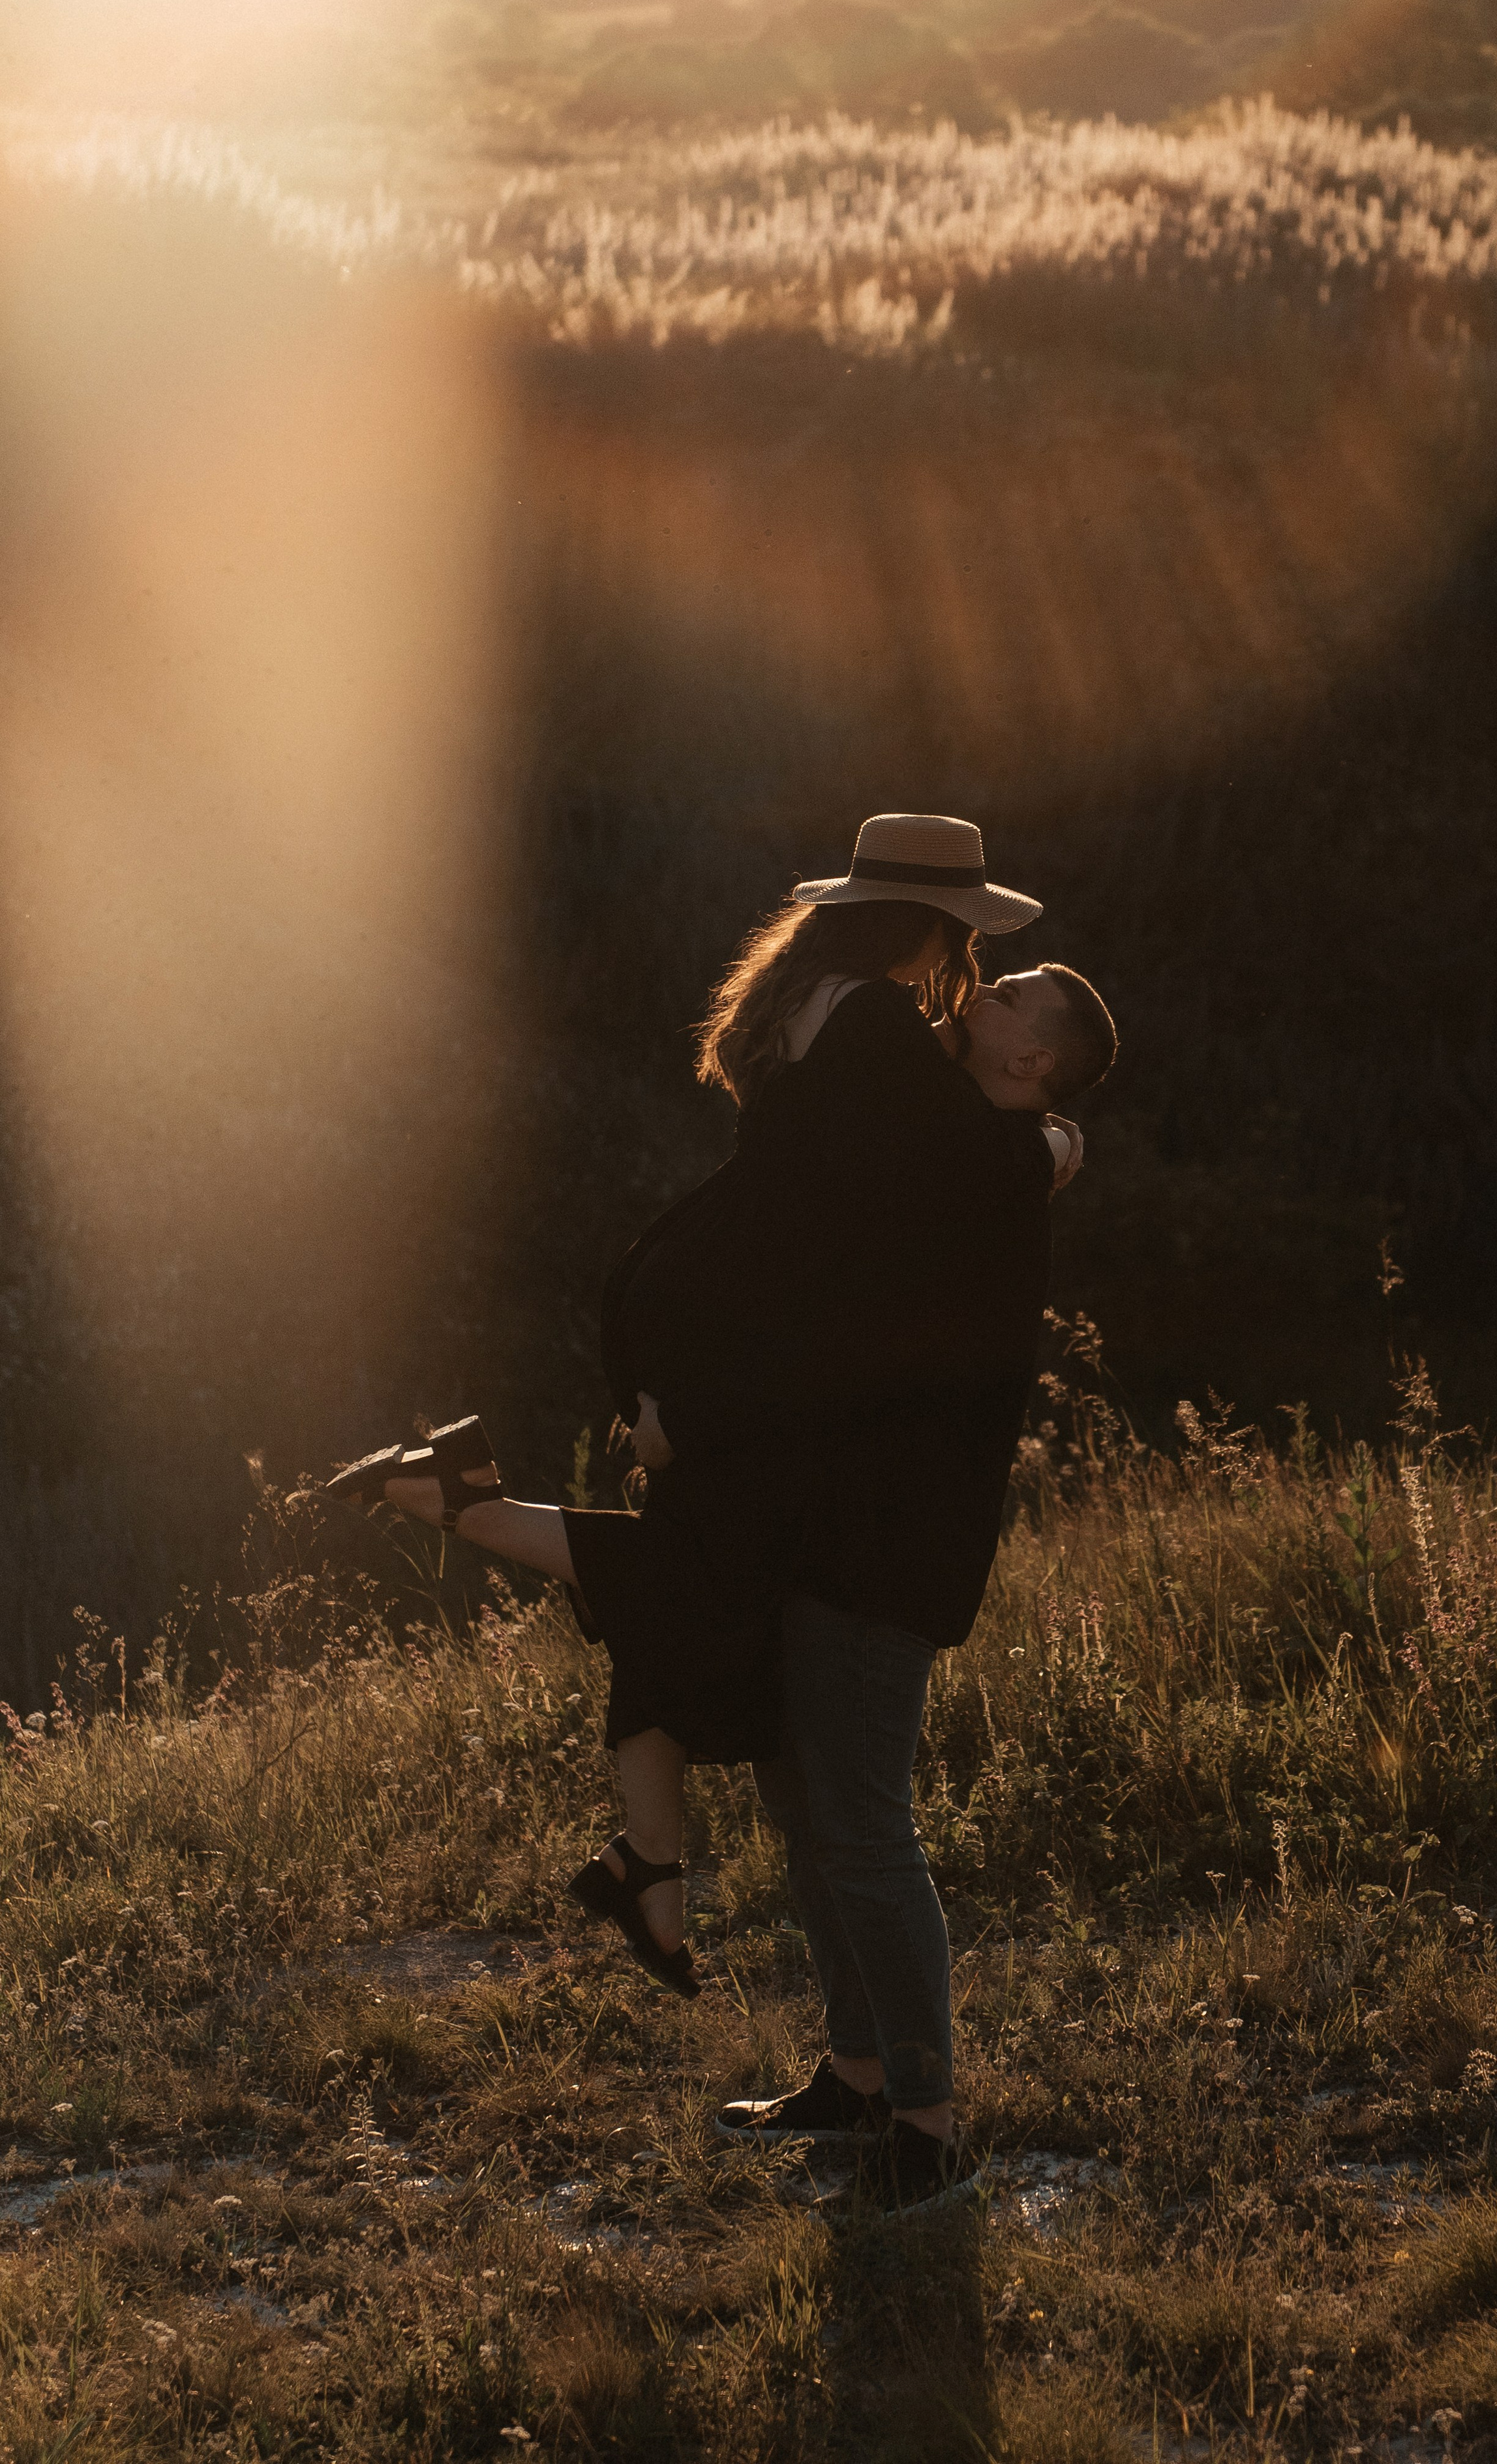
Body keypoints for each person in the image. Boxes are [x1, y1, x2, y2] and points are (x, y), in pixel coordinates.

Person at [318, 815, 1117, 2208]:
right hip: (828, 1488)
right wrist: (1050, 1139)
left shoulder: (840, 1033)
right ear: (927, 931)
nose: (980, 977)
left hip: (884, 1519)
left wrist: (1038, 1136)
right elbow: (906, 1216)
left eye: (1006, 987)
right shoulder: (886, 1049)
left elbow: (884, 1244)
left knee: (852, 1819)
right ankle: (858, 2074)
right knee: (818, 1808)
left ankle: (918, 2123)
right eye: (977, 953)